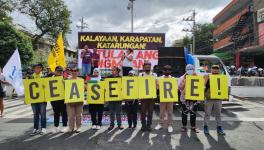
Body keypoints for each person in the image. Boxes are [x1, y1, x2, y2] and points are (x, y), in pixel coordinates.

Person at [204, 65, 226, 135]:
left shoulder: (222, 77)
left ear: (219, 70)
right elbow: (203, 85)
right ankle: (205, 126)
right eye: (214, 69)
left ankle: (219, 127)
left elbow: (224, 87)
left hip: (218, 98)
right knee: (207, 113)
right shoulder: (207, 76)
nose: (215, 70)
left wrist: (225, 95)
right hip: (209, 97)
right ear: (211, 69)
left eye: (217, 69)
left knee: (218, 114)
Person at [178, 64, 199, 133]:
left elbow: (201, 87)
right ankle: (184, 126)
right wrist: (184, 81)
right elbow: (179, 88)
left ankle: (193, 126)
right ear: (186, 70)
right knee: (184, 113)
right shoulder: (182, 77)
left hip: (194, 98)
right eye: (188, 69)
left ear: (193, 69)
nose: (190, 70)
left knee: (193, 113)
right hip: (185, 98)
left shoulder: (197, 77)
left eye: (191, 69)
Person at [63, 67, 84, 133]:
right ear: (71, 72)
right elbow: (64, 88)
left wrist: (86, 84)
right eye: (73, 70)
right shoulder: (67, 80)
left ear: (77, 72)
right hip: (70, 100)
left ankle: (78, 127)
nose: (74, 72)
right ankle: (71, 127)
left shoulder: (81, 80)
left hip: (79, 99)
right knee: (70, 115)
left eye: (76, 71)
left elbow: (85, 89)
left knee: (79, 114)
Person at [139, 61, 158, 132]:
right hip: (143, 97)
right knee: (143, 111)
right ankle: (143, 125)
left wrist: (157, 85)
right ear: (143, 67)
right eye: (146, 65)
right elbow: (139, 86)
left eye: (149, 65)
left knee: (150, 111)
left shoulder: (154, 75)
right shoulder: (140, 75)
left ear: (150, 67)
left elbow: (157, 85)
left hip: (152, 97)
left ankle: (149, 125)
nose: (147, 67)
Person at [155, 65, 174, 133]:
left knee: (170, 112)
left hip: (170, 98)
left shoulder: (173, 78)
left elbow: (175, 88)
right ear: (163, 71)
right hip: (162, 98)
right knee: (161, 112)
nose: (167, 71)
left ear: (170, 71)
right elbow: (157, 88)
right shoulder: (159, 78)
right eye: (165, 70)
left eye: (168, 70)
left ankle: (170, 125)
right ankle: (160, 124)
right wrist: (157, 84)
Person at [30, 63, 47, 135]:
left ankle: (43, 128)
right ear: (34, 69)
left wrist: (44, 86)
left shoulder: (44, 77)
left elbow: (48, 88)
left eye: (39, 67)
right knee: (35, 114)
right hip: (33, 99)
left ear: (41, 69)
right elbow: (27, 89)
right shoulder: (30, 77)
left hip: (42, 99)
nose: (37, 69)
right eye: (36, 67)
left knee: (43, 114)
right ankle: (35, 128)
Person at [50, 66, 68, 133]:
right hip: (54, 99)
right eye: (58, 71)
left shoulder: (65, 79)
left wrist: (64, 83)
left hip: (63, 99)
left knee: (64, 113)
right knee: (56, 113)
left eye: (61, 71)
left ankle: (65, 126)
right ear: (55, 71)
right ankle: (56, 126)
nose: (59, 72)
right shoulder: (50, 78)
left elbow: (68, 88)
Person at [107, 66, 124, 130]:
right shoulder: (108, 77)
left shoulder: (120, 78)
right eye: (112, 70)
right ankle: (111, 124)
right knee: (111, 112)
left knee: (118, 112)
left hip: (118, 97)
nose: (113, 71)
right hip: (110, 97)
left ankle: (120, 124)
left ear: (117, 71)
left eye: (114, 70)